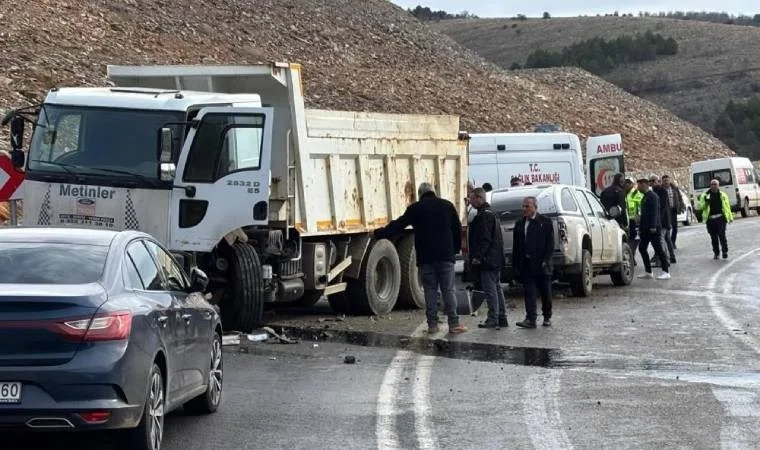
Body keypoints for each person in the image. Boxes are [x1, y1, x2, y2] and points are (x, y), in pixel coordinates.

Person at [374, 182, 467, 334]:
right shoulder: (447, 206)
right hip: (445, 256)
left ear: (420, 194)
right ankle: (454, 324)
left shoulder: (415, 208)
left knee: (429, 290)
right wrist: (455, 249)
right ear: (433, 192)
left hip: (426, 257)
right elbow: (456, 230)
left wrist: (379, 233)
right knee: (448, 290)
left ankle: (432, 325)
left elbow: (398, 225)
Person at [467, 187, 508, 329]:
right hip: (495, 258)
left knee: (490, 290)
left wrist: (478, 256)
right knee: (497, 288)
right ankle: (501, 316)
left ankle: (493, 318)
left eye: (471, 198)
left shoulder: (484, 216)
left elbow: (484, 239)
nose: (470, 201)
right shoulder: (491, 213)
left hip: (488, 260)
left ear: (479, 198)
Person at [512, 196, 554, 328]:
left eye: (527, 206)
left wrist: (546, 260)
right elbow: (517, 246)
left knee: (545, 292)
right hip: (527, 264)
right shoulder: (519, 224)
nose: (524, 209)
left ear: (535, 207)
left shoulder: (545, 222)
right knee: (529, 292)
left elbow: (550, 244)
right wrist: (516, 265)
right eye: (523, 206)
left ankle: (547, 316)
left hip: (542, 264)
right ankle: (531, 318)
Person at [637, 178, 671, 280]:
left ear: (644, 184)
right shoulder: (645, 197)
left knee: (659, 249)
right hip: (645, 229)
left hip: (653, 229)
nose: (638, 187)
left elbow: (655, 212)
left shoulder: (653, 196)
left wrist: (653, 226)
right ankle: (648, 272)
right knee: (642, 248)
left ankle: (666, 271)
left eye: (639, 185)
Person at [696, 179, 733, 259]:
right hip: (710, 219)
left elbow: (727, 207)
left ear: (718, 185)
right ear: (710, 185)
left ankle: (724, 251)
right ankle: (716, 253)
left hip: (720, 218)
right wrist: (706, 202)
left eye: (715, 184)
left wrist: (729, 217)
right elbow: (700, 207)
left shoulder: (722, 195)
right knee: (713, 238)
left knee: (722, 235)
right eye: (712, 184)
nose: (714, 186)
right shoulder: (705, 195)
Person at [649, 176, 676, 264]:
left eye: (653, 181)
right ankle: (671, 257)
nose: (651, 182)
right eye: (650, 181)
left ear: (658, 181)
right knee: (667, 239)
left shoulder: (661, 191)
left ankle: (665, 260)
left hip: (663, 221)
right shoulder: (656, 190)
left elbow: (663, 207)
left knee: (661, 239)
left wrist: (658, 220)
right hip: (665, 220)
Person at [661, 175, 685, 249]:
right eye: (664, 180)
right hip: (665, 211)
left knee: (675, 228)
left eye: (667, 180)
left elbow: (680, 197)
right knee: (667, 228)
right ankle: (668, 243)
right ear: (662, 181)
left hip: (673, 210)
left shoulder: (674, 188)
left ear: (669, 180)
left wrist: (681, 206)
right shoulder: (661, 189)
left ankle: (672, 242)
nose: (666, 182)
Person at [625, 177, 643, 262]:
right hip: (627, 220)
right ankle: (631, 257)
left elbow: (640, 205)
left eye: (629, 183)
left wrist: (638, 216)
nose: (627, 184)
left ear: (632, 184)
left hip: (634, 220)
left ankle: (631, 257)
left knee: (634, 240)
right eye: (626, 182)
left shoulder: (635, 193)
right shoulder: (624, 193)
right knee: (629, 239)